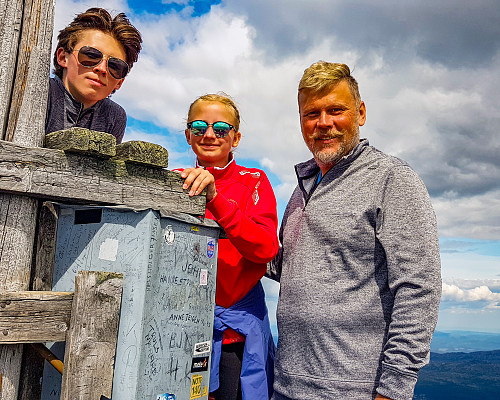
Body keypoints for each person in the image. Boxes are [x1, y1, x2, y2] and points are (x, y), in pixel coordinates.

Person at [268, 61, 442, 400]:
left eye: (336, 110)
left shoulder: (392, 179)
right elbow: (288, 267)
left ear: (360, 113)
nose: (323, 123)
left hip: (355, 390)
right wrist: (224, 218)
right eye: (311, 113)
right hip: (287, 384)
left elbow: (419, 288)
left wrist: (393, 390)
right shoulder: (302, 186)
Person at [178, 93, 278, 400]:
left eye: (221, 128)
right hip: (180, 331)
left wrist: (216, 198)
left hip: (236, 337)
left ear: (235, 138)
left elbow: (264, 249)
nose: (209, 134)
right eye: (199, 126)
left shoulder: (255, 181)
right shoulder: (172, 182)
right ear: (188, 135)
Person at [45, 7, 142, 143]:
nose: (102, 69)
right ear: (63, 57)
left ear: (120, 81)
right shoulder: (42, 92)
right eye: (90, 55)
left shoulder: (114, 116)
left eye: (115, 66)